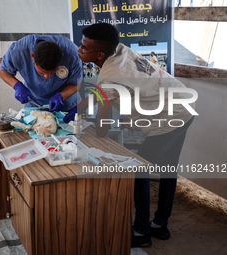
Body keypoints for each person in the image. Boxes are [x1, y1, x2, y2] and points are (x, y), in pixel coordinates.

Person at [64, 23, 195, 248]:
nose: (78, 50)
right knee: (167, 169)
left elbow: (103, 127)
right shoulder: (120, 50)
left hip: (169, 119)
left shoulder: (111, 76)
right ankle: (160, 226)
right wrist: (77, 109)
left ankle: (141, 232)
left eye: (83, 48)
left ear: (99, 54)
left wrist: (89, 123)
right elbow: (101, 93)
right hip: (182, 105)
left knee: (137, 173)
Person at [0, 35, 82, 112]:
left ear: (62, 57)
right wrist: (17, 85)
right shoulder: (19, 51)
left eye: (52, 73)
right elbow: (2, 70)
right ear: (32, 57)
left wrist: (61, 96)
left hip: (64, 104)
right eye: (42, 72)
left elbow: (77, 82)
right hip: (34, 104)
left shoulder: (72, 54)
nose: (46, 77)